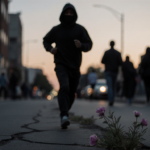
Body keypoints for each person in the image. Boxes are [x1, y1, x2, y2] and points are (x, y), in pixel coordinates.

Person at [43, 3, 92, 128]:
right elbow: (46, 40)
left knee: (71, 93)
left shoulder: (80, 29)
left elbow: (89, 44)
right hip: (61, 64)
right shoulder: (57, 29)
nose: (69, 15)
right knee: (64, 86)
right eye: (67, 13)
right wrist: (50, 49)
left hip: (75, 66)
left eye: (71, 13)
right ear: (62, 14)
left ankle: (65, 111)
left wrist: (81, 45)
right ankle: (64, 115)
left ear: (74, 15)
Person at [101, 41, 122, 106]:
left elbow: (102, 61)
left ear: (109, 44)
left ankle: (111, 100)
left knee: (110, 86)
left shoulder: (106, 52)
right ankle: (112, 99)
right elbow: (121, 63)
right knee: (113, 86)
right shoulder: (117, 53)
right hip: (114, 71)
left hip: (108, 71)